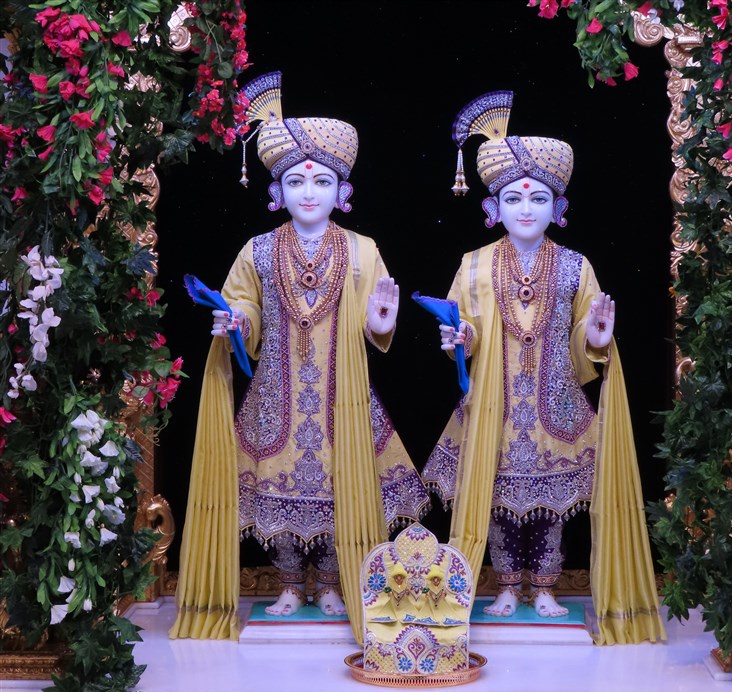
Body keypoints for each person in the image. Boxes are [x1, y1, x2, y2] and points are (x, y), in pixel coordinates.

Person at [170, 71, 429, 643]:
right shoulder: (258, 249)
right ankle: (289, 582)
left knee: (342, 484)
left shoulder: (362, 249)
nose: (308, 192)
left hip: (342, 393)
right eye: (295, 181)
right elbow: (242, 303)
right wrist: (236, 321)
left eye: (321, 181)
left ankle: (333, 581)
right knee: (277, 484)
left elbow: (378, 315)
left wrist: (381, 322)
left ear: (342, 190)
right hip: (277, 392)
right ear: (277, 191)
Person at [421, 91, 665, 644]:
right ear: (494, 207)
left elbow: (585, 332)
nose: (526, 208)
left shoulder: (577, 265)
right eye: (513, 197)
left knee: (552, 505)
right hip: (496, 404)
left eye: (538, 197)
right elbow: (463, 323)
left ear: (558, 206)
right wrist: (459, 337)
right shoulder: (474, 264)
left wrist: (596, 337)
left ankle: (547, 586)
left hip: (556, 405)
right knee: (499, 499)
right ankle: (507, 585)